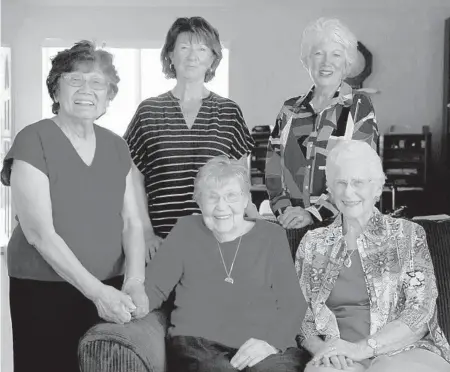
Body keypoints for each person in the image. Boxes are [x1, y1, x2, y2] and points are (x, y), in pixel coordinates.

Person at [1, 41, 148, 372]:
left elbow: (132, 222)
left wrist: (135, 280)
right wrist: (96, 293)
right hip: (43, 289)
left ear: (109, 95)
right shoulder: (32, 139)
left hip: (112, 284)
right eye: (75, 80)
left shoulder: (116, 145)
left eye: (98, 82)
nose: (87, 89)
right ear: (56, 89)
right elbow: (40, 233)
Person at [295, 140, 450, 372]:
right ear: (330, 189)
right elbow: (300, 318)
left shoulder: (407, 236)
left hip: (404, 351)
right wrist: (326, 351)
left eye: (358, 182)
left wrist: (361, 349)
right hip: (342, 358)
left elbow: (420, 312)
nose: (348, 192)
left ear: (377, 188)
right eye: (341, 183)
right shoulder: (313, 244)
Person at [143, 156, 308, 372]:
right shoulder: (186, 230)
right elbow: (153, 288)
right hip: (198, 343)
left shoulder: (271, 236)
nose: (222, 207)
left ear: (246, 199)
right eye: (212, 197)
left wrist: (271, 342)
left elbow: (293, 304)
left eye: (231, 196)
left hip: (262, 343)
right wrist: (128, 304)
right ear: (198, 201)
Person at [124, 16, 256, 258]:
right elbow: (133, 179)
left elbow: (239, 181)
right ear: (171, 56)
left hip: (218, 240)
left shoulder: (228, 111)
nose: (192, 56)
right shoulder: (148, 111)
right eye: (184, 47)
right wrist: (145, 233)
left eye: (202, 48)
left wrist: (251, 226)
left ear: (213, 59)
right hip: (162, 243)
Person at [265, 17, 379, 231]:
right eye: (318, 54)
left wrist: (313, 214)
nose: (326, 63)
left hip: (341, 230)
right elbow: (273, 169)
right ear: (307, 60)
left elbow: (359, 174)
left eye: (336, 55)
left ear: (346, 63)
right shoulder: (289, 110)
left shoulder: (359, 107)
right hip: (292, 227)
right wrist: (285, 212)